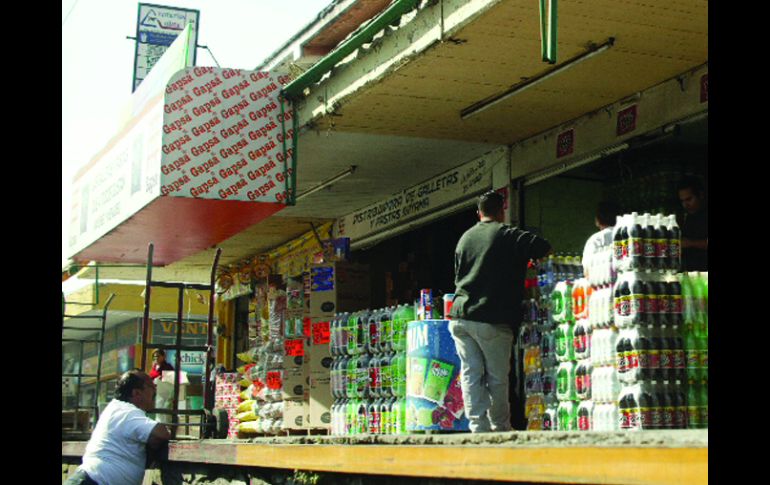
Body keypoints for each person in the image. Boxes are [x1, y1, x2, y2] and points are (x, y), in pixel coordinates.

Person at [447, 191, 552, 432]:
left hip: (461, 316)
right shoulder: (505, 233)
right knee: (496, 377)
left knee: (471, 374)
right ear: (502, 211)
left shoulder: (465, 238)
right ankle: (500, 428)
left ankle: (478, 428)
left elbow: (461, 275)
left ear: (478, 213)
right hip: (490, 318)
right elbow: (542, 246)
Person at [65, 370, 171, 485]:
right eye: (151, 386)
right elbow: (161, 433)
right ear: (136, 393)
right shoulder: (126, 412)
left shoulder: (117, 409)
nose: (155, 390)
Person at [581, 200, 620, 279]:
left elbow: (587, 272)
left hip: (603, 286)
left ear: (597, 220)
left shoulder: (595, 240)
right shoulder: (627, 237)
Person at [677, 176, 708, 271]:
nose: (685, 205)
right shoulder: (689, 217)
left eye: (689, 199)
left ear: (701, 195)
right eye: (682, 201)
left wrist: (690, 243)